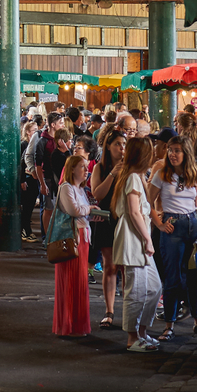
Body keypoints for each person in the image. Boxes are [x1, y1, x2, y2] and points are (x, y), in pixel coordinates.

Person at [148, 136, 197, 341]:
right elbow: (146, 202)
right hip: (172, 228)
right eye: (170, 150)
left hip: (194, 227)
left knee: (195, 276)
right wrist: (159, 224)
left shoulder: (194, 175)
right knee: (172, 278)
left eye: (177, 151)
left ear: (186, 153)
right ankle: (169, 325)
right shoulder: (161, 174)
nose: (172, 154)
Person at [111, 138, 161, 352]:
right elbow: (133, 212)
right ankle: (133, 338)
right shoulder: (132, 177)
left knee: (154, 287)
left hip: (139, 238)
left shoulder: (137, 176)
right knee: (137, 290)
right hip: (134, 239)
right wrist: (148, 239)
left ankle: (141, 332)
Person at [53, 153, 96, 338]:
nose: (86, 171)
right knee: (71, 280)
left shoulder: (81, 190)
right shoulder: (66, 187)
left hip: (83, 237)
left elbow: (82, 213)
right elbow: (74, 211)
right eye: (82, 167)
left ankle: (77, 324)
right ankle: (68, 324)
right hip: (72, 238)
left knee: (80, 281)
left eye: (86, 167)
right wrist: (89, 210)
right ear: (71, 169)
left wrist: (92, 214)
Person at [88, 128, 125, 329]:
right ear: (108, 147)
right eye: (118, 144)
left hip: (126, 220)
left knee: (126, 267)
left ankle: (129, 310)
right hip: (107, 220)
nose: (121, 149)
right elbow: (98, 194)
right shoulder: (99, 169)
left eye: (124, 145)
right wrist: (113, 173)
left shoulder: (131, 167)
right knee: (110, 266)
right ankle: (109, 311)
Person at [34, 112, 65, 237]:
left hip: (61, 179)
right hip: (48, 179)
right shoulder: (42, 141)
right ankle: (47, 238)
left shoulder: (61, 139)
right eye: (61, 123)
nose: (63, 125)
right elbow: (38, 164)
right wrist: (42, 183)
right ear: (53, 125)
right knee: (48, 209)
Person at [19, 119, 40, 243]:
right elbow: (21, 163)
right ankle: (25, 230)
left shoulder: (35, 143)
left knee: (29, 206)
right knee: (26, 207)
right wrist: (22, 180)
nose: (37, 133)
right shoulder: (23, 145)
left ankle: (25, 229)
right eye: (34, 131)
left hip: (32, 179)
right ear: (27, 132)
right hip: (27, 179)